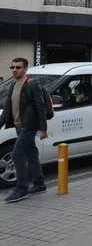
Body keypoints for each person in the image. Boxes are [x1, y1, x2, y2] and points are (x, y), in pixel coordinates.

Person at [0, 58, 48, 203]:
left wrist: (42, 129)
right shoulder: (13, 85)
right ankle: (39, 184)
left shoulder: (32, 85)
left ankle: (22, 188)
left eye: (18, 67)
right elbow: (7, 110)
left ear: (26, 69)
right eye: (12, 67)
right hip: (18, 126)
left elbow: (40, 107)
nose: (15, 70)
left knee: (17, 154)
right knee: (31, 153)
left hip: (29, 126)